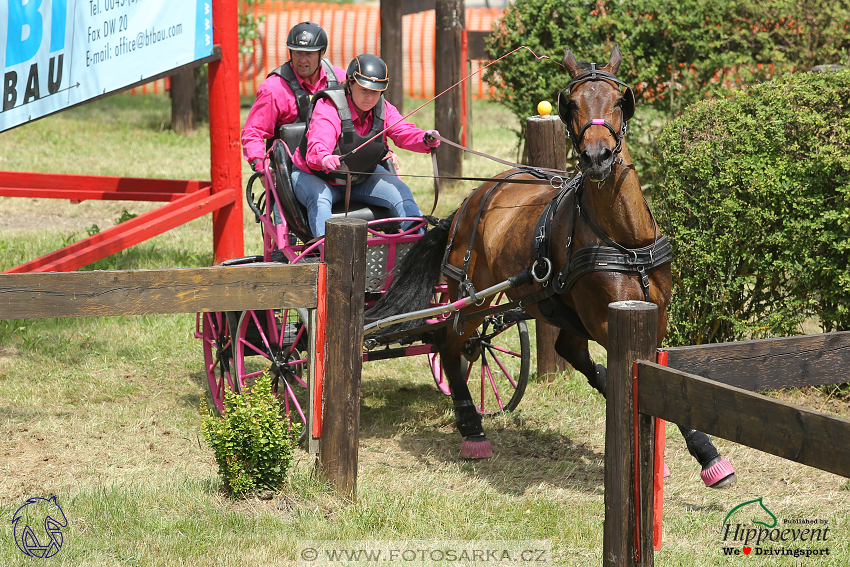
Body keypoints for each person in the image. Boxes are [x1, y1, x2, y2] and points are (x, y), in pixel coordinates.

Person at [291, 54, 440, 238]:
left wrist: (424, 138)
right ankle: (328, 257)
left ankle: (419, 242)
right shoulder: (328, 106)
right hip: (315, 176)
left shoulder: (384, 108)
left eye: (376, 92)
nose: (370, 97)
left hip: (360, 178)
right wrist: (325, 157)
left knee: (401, 190)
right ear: (350, 83)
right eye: (364, 90)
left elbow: (403, 132)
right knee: (319, 199)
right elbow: (319, 141)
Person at [241, 22, 347, 171]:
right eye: (297, 53)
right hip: (292, 169)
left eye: (309, 54)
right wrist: (260, 166)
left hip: (338, 165)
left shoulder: (341, 79)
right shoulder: (273, 88)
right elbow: (253, 132)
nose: (302, 60)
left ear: (322, 53)